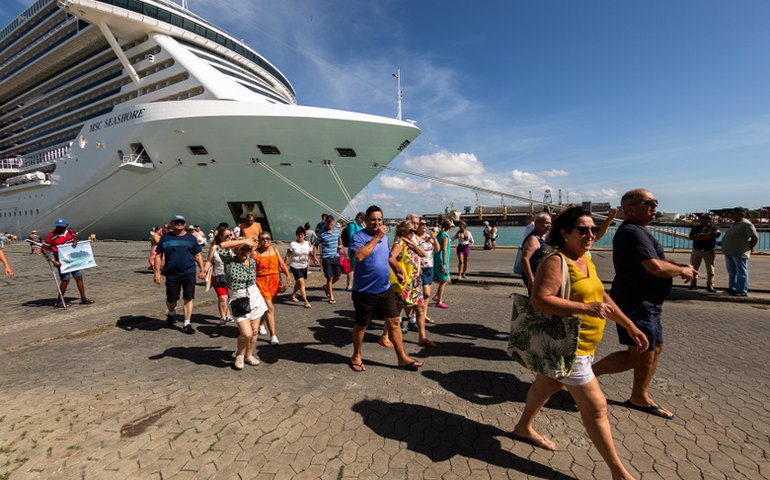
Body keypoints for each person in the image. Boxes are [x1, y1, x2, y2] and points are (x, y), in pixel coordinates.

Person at [513, 206, 649, 480]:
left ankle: (523, 427)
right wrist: (586, 308)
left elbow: (603, 296)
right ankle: (619, 473)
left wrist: (629, 325)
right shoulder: (555, 261)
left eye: (592, 229)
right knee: (597, 407)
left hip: (584, 346)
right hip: (568, 347)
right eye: (583, 230)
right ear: (565, 233)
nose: (591, 234)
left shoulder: (586, 259)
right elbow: (540, 300)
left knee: (544, 386)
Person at [593, 189, 697, 420]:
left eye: (656, 202)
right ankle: (585, 377)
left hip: (648, 302)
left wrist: (678, 264)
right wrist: (681, 270)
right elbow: (654, 267)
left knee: (653, 349)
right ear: (629, 208)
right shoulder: (632, 231)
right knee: (638, 354)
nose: (655, 207)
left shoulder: (640, 231)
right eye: (649, 203)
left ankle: (639, 396)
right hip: (635, 303)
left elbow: (659, 260)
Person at [349, 206, 425, 372]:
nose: (377, 223)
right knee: (361, 325)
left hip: (385, 289)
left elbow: (388, 256)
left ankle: (401, 358)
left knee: (395, 322)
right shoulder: (359, 237)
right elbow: (360, 256)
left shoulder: (383, 238)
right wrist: (376, 237)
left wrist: (398, 269)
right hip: (364, 291)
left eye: (379, 219)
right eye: (373, 219)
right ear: (366, 221)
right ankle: (356, 355)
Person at [217, 236, 268, 370]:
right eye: (242, 249)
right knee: (246, 333)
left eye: (248, 249)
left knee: (255, 331)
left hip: (254, 296)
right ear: (236, 249)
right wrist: (243, 241)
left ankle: (249, 355)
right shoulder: (229, 261)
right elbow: (220, 246)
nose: (245, 251)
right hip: (238, 298)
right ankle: (239, 354)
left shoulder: (252, 261)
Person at [384, 220, 436, 348]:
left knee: (420, 308)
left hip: (414, 281)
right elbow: (390, 258)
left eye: (414, 230)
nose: (413, 233)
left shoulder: (409, 242)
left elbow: (424, 254)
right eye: (411, 231)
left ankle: (422, 337)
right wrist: (399, 271)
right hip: (404, 283)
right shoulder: (399, 243)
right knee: (396, 311)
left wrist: (411, 243)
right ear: (403, 231)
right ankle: (384, 336)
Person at [153, 215, 205, 334]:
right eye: (176, 222)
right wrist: (157, 272)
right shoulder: (165, 238)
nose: (179, 224)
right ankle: (171, 313)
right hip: (172, 273)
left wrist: (202, 270)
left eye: (181, 222)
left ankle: (187, 323)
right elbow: (158, 255)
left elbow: (198, 255)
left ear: (185, 224)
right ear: (171, 223)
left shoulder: (191, 238)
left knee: (188, 298)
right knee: (171, 300)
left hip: (189, 272)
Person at [42, 218, 94, 308]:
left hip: (72, 257)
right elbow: (44, 249)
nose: (59, 228)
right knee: (65, 279)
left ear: (66, 226)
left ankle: (83, 298)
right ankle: (59, 301)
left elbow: (73, 240)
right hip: (60, 259)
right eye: (58, 226)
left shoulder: (70, 233)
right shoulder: (51, 236)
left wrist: (75, 241)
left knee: (78, 276)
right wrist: (53, 261)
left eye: (62, 227)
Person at [254, 231, 291, 345]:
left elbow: (282, 264)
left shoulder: (274, 250)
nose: (265, 240)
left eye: (268, 238)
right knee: (270, 308)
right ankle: (273, 336)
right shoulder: (255, 253)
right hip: (261, 281)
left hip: (274, 281)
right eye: (263, 239)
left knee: (268, 308)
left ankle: (261, 324)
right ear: (259, 241)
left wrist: (287, 275)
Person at [721, 208, 759, 297]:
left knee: (741, 272)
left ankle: (742, 291)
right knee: (731, 272)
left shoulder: (746, 224)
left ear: (741, 214)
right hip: (730, 251)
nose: (732, 215)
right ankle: (732, 288)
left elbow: (755, 237)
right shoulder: (734, 224)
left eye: (734, 213)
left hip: (739, 252)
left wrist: (751, 248)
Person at [203, 226, 234, 327]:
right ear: (220, 237)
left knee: (228, 298)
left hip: (232, 277)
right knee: (223, 298)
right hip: (219, 276)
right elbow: (209, 261)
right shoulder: (214, 248)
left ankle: (228, 314)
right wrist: (204, 271)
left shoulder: (233, 248)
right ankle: (223, 318)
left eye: (230, 235)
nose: (229, 237)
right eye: (227, 236)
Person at [415, 217, 439, 324]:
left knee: (426, 295)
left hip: (430, 267)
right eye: (422, 224)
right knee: (425, 293)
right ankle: (416, 314)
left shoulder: (429, 237)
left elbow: (437, 249)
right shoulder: (415, 238)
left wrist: (434, 238)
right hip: (420, 268)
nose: (424, 226)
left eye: (426, 224)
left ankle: (423, 315)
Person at [688, 215, 721, 292]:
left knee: (710, 269)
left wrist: (701, 236)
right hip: (696, 250)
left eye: (706, 220)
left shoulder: (714, 227)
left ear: (709, 220)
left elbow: (717, 234)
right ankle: (693, 284)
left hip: (709, 251)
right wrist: (708, 235)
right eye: (702, 220)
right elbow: (691, 237)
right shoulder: (695, 227)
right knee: (694, 268)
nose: (704, 221)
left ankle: (710, 285)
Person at [519, 212, 552, 291]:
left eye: (550, 223)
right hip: (535, 276)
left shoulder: (542, 237)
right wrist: (530, 278)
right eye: (546, 223)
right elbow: (524, 259)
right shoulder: (533, 239)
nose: (549, 225)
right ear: (536, 223)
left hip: (541, 276)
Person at [285, 226, 314, 308]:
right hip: (295, 266)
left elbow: (309, 254)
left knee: (298, 282)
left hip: (304, 266)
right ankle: (305, 301)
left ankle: (293, 295)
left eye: (302, 234)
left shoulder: (308, 243)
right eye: (299, 235)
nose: (300, 236)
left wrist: (314, 259)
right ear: (296, 235)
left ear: (304, 235)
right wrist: (284, 266)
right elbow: (287, 256)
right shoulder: (292, 244)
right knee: (302, 283)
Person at [316, 214, 342, 304]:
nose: (329, 223)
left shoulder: (337, 231)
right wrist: (315, 256)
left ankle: (326, 287)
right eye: (327, 221)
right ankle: (331, 296)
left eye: (331, 221)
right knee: (329, 278)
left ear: (333, 222)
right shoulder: (321, 233)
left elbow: (339, 238)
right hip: (326, 258)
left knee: (338, 276)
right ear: (325, 222)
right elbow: (315, 245)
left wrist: (341, 245)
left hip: (336, 257)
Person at [342, 212, 366, 290]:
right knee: (352, 267)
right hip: (354, 249)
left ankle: (356, 284)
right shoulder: (352, 225)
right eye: (362, 219)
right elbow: (352, 237)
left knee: (357, 267)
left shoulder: (359, 225)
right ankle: (349, 285)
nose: (363, 221)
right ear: (359, 217)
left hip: (360, 248)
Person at [432, 219, 452, 308]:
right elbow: (444, 250)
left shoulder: (439, 234)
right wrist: (444, 263)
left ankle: (437, 296)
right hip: (442, 260)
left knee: (448, 280)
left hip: (437, 258)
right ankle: (439, 301)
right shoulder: (445, 235)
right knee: (444, 280)